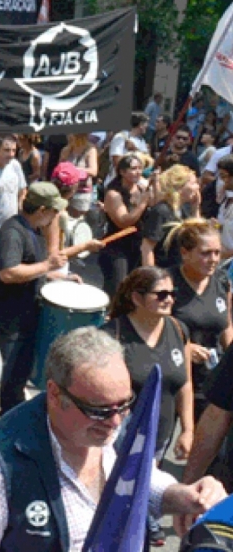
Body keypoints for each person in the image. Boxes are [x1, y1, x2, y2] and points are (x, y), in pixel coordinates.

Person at [0, 327, 227, 552]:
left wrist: (183, 496)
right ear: (54, 394)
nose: (115, 421)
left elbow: (134, 475)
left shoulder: (111, 421)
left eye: (125, 404)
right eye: (98, 410)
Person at [102, 267, 195, 546]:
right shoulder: (112, 334)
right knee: (118, 509)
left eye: (173, 294)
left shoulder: (178, 329)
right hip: (120, 439)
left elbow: (185, 383)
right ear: (137, 298)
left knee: (138, 502)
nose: (169, 299)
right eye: (161, 294)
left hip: (158, 439)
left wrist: (188, 429)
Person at [0, 182, 72, 417]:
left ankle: (9, 419)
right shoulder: (13, 232)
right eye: (54, 211)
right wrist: (47, 265)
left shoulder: (33, 230)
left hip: (25, 314)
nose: (56, 216)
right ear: (41, 210)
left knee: (17, 377)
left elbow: (32, 268)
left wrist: (57, 276)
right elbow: (8, 272)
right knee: (0, 373)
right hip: (7, 318)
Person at [168, 218, 233, 422]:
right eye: (205, 253)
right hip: (171, 378)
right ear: (185, 253)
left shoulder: (222, 282)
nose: (213, 259)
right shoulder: (166, 284)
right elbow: (149, 328)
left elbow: (226, 324)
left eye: (217, 252)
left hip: (207, 381)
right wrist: (184, 348)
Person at [100, 154, 152, 295]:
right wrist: (143, 203)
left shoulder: (142, 188)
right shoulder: (113, 194)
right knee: (117, 289)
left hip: (137, 246)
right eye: (133, 169)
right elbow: (123, 222)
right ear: (122, 172)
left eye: (140, 168)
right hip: (117, 247)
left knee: (134, 290)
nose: (138, 172)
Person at [141, 165, 199, 268]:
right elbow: (147, 247)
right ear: (179, 186)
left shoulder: (183, 210)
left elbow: (197, 235)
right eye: (194, 183)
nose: (197, 187)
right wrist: (151, 278)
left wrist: (195, 208)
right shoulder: (161, 211)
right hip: (164, 269)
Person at [107, 112, 150, 186]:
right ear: (140, 124)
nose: (147, 126)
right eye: (146, 123)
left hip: (136, 182)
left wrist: (134, 149)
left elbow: (147, 161)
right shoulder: (121, 137)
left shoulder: (142, 141)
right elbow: (116, 161)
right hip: (117, 181)